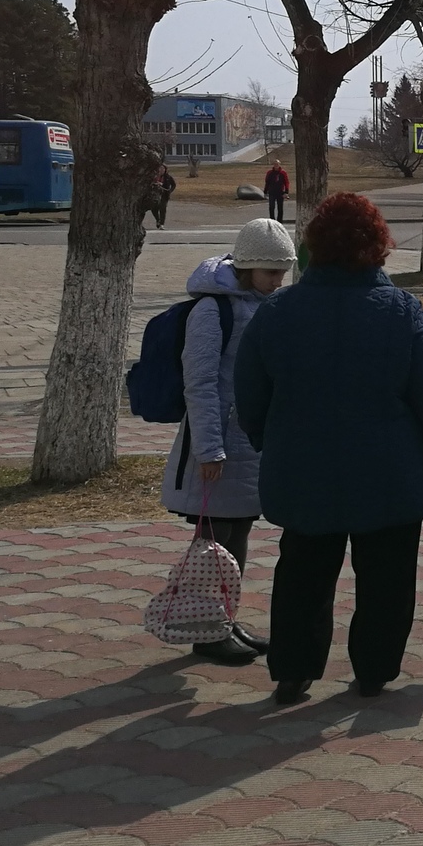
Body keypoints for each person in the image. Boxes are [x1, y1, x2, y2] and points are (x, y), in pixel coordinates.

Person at [236, 192, 423, 706]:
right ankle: (375, 670)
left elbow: (248, 394)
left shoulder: (278, 312)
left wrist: (270, 442)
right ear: (378, 247)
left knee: (302, 572)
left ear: (314, 247)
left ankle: (293, 673)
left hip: (303, 470)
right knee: (386, 576)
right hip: (389, 472)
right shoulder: (399, 309)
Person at [159, 218, 297, 664]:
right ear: (248, 267)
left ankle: (224, 620)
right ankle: (206, 630)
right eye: (271, 273)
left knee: (236, 535)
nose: (278, 281)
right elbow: (199, 383)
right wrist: (209, 449)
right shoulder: (212, 310)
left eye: (283, 273)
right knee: (214, 540)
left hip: (249, 442)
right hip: (218, 445)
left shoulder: (262, 304)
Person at [145, 160, 177, 229]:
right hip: (155, 194)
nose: (161, 170)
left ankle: (162, 224)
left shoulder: (168, 177)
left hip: (164, 195)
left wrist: (169, 190)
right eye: (160, 168)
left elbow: (173, 185)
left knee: (163, 208)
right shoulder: (154, 176)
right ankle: (158, 220)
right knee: (154, 208)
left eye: (163, 168)